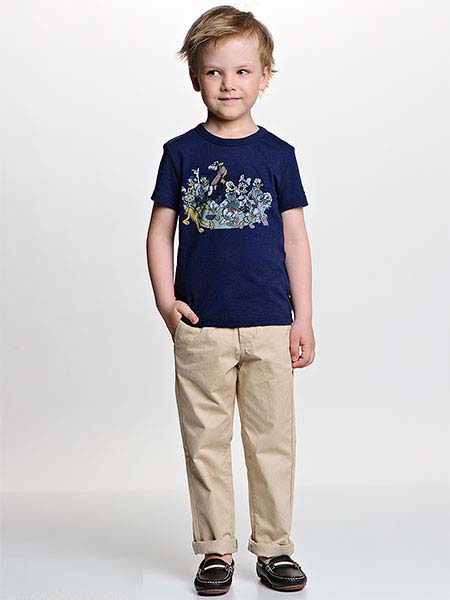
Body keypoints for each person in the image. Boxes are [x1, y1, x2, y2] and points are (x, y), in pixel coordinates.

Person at [146, 5, 315, 595]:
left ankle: (274, 548)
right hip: (202, 327)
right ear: (195, 77)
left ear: (265, 76)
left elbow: (296, 239)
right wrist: (167, 302)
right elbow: (160, 232)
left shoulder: (278, 155)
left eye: (242, 71)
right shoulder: (180, 152)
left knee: (272, 444)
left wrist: (303, 318)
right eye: (214, 71)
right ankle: (215, 549)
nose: (228, 84)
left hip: (269, 324)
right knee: (205, 444)